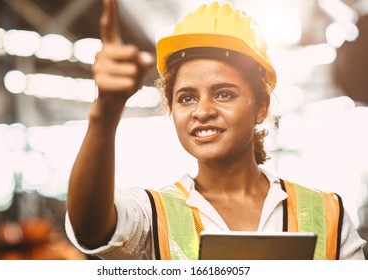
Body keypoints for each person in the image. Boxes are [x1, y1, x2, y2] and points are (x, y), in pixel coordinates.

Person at [65, 0, 366, 260]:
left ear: (260, 107)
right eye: (186, 98)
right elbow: (91, 228)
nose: (203, 111)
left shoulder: (330, 216)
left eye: (223, 93)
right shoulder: (151, 215)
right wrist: (105, 112)